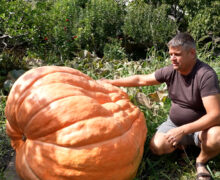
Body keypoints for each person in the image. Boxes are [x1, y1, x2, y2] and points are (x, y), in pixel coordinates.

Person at [98, 32, 220, 180]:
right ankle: (185, 145)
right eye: (170, 54)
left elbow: (215, 115)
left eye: (177, 54)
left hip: (201, 128)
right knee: (156, 146)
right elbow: (140, 80)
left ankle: (201, 161)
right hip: (175, 123)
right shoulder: (171, 71)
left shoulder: (205, 75)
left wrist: (183, 130)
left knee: (217, 136)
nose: (172, 59)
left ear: (192, 53)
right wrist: (111, 82)